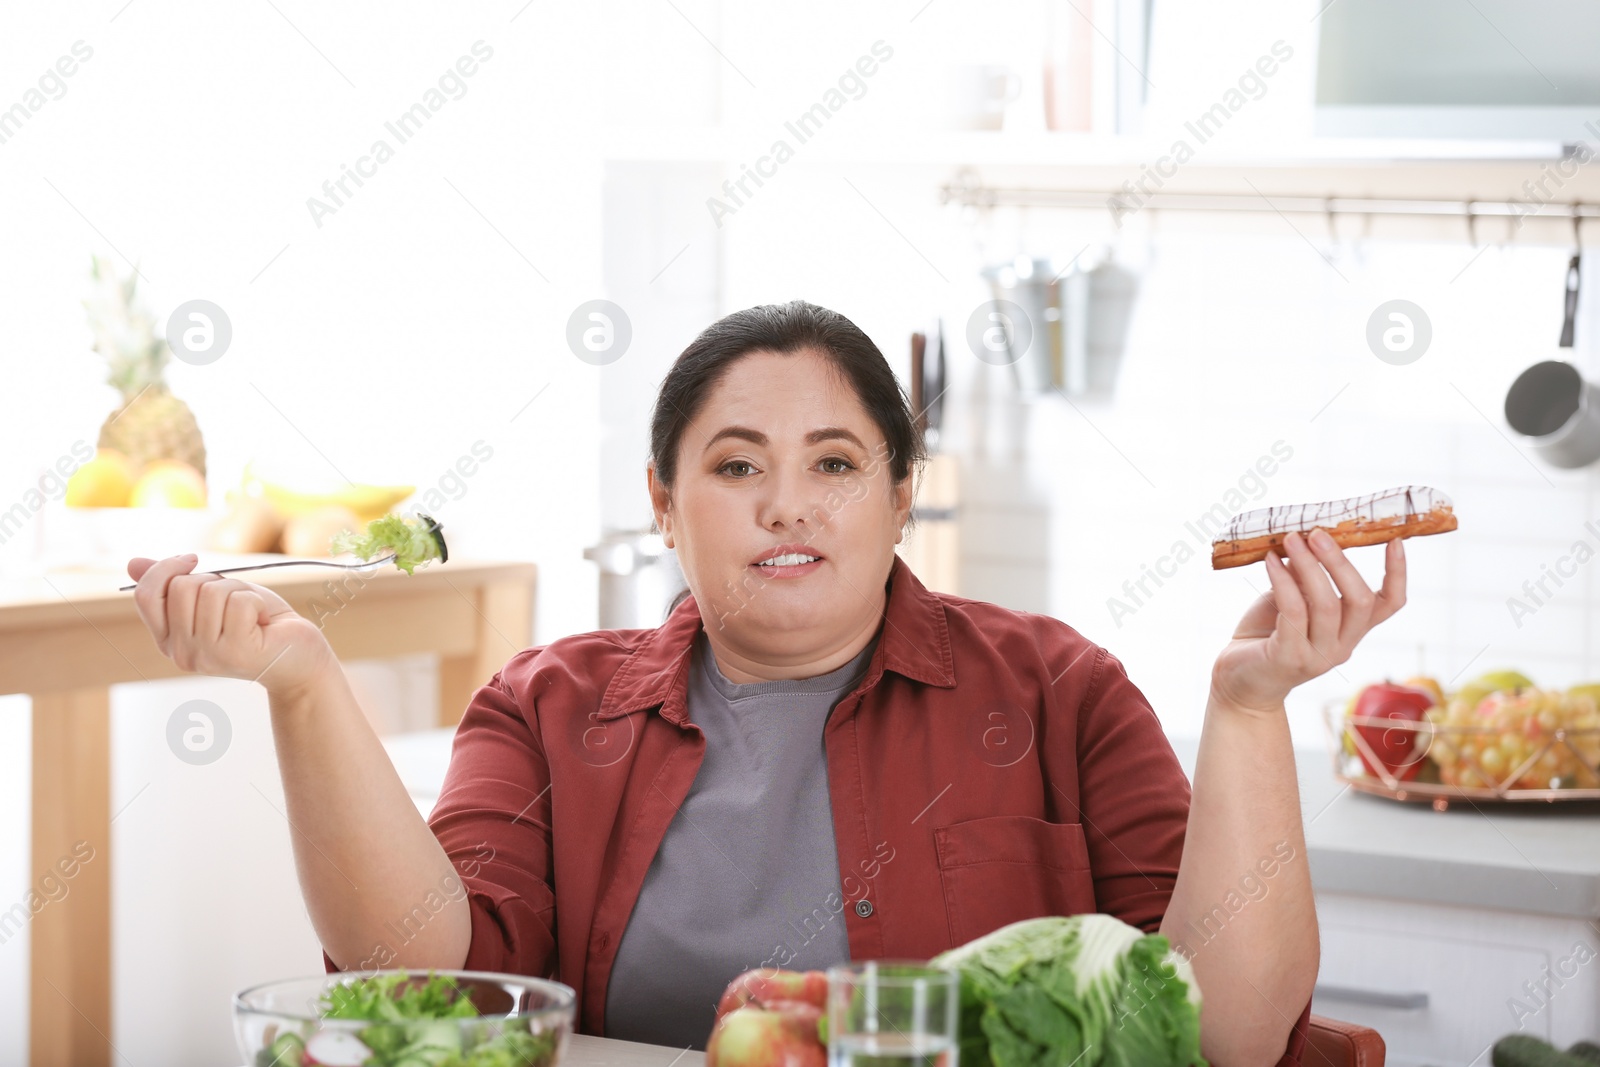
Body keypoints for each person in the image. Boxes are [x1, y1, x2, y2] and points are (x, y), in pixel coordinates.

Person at [127, 299, 1407, 1066]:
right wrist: (299, 681)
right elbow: (434, 981)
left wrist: (1248, 704)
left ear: (902, 495)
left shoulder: (1060, 687)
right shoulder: (546, 704)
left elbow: (1224, 1038)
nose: (785, 501)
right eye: (735, 465)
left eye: (836, 463)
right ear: (663, 502)